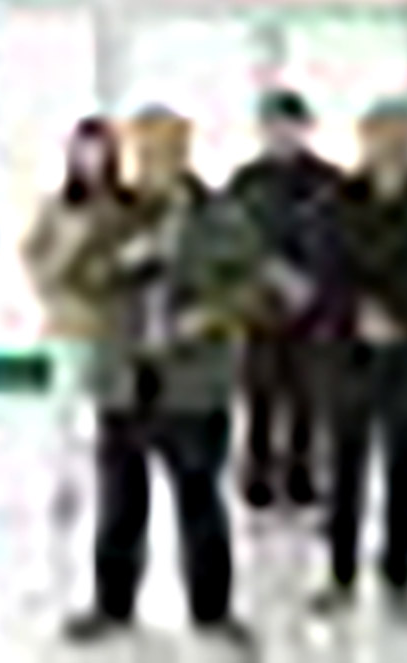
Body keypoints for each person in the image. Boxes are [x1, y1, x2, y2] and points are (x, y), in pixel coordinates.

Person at [66, 107, 261, 652]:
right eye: (146, 152)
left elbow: (252, 284)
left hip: (194, 384)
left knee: (200, 501)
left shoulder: (222, 215)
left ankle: (213, 611)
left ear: (186, 151)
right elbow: (79, 277)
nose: (156, 163)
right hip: (125, 382)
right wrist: (125, 258)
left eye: (167, 150)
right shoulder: (113, 215)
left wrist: (211, 314)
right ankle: (112, 606)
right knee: (119, 503)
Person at [312, 98, 407, 622]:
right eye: (382, 135)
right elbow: (324, 273)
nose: (392, 146)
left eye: (403, 136)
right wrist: (357, 312)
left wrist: (404, 318)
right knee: (343, 472)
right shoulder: (335, 201)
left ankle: (399, 577)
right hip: (347, 356)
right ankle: (339, 576)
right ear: (364, 140)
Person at [23, 117, 132, 594]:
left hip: (116, 328)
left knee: (112, 414)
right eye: (83, 151)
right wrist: (52, 280)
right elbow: (32, 255)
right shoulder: (56, 206)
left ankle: (113, 488)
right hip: (68, 323)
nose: (91, 160)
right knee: (62, 410)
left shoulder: (126, 207)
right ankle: (63, 485)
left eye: (100, 150)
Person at [227, 89, 345, 510]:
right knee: (260, 394)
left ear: (305, 128)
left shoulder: (329, 182)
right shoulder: (245, 182)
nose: (282, 135)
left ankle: (301, 473)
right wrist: (271, 273)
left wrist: (312, 285)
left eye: (290, 126)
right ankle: (257, 473)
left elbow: (341, 241)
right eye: (273, 126)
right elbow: (233, 239)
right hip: (260, 306)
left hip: (313, 309)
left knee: (306, 396)